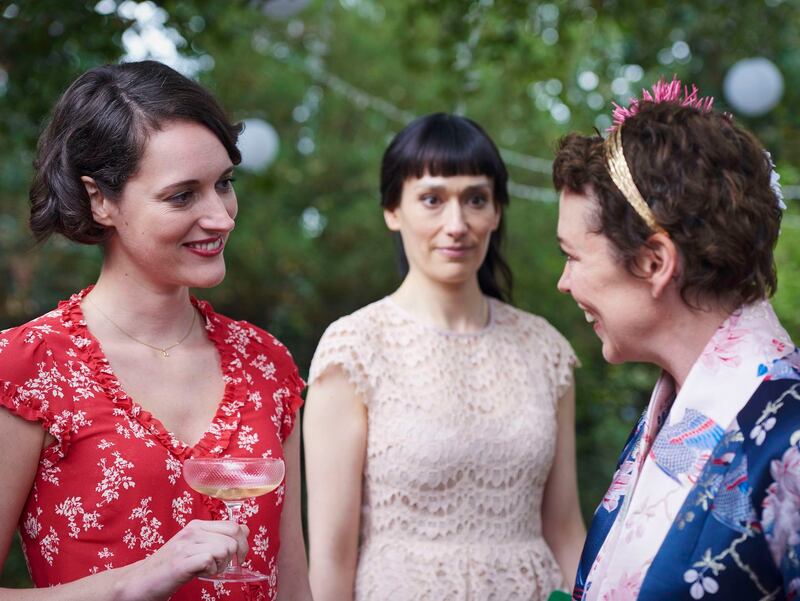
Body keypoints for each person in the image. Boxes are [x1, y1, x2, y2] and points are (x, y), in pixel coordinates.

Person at [0, 60, 312, 601]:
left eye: (224, 184)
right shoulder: (26, 368)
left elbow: (291, 584)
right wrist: (130, 583)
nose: (222, 216)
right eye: (182, 195)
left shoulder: (267, 363)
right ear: (100, 199)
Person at [303, 112, 586, 600]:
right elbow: (330, 554)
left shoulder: (546, 350)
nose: (457, 225)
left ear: (496, 212)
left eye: (476, 199)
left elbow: (564, 529)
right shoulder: (353, 349)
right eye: (432, 200)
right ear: (393, 210)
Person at [553, 77, 800, 600]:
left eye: (573, 256)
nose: (564, 282)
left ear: (654, 262)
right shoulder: (669, 414)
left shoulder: (791, 440)